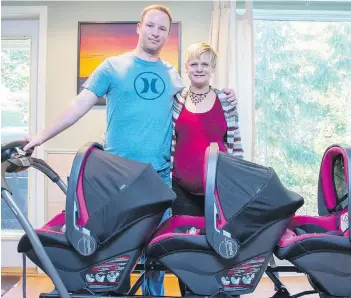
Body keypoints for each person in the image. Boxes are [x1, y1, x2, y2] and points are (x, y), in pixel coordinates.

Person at [23, 5, 237, 296]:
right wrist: (42, 136)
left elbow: (196, 98)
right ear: (139, 27)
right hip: (117, 180)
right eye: (151, 26)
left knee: (156, 258)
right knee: (114, 257)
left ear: (166, 35)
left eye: (162, 28)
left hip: (159, 181)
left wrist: (224, 94)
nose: (155, 32)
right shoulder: (112, 67)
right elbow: (78, 105)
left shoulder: (172, 74)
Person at [171, 42, 244, 217]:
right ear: (187, 68)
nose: (199, 69)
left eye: (205, 64)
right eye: (194, 64)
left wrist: (237, 182)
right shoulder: (176, 100)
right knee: (185, 242)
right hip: (181, 192)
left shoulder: (226, 101)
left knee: (215, 241)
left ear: (213, 69)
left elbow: (236, 143)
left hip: (219, 191)